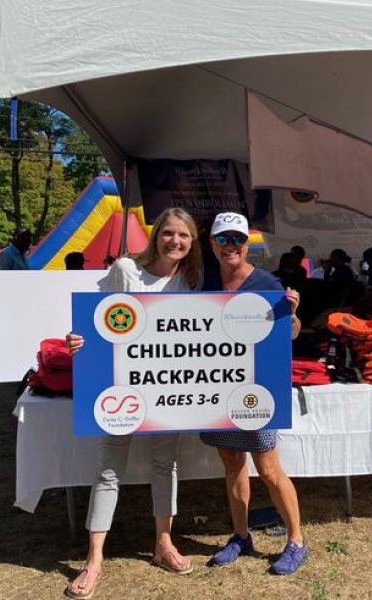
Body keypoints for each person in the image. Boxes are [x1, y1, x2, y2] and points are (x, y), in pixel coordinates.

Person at [64, 208, 203, 600]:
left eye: (184, 236)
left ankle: (164, 544)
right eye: (169, 233)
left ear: (191, 244)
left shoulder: (190, 282)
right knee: (109, 469)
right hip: (119, 386)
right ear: (156, 235)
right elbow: (95, 318)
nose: (175, 241)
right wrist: (79, 340)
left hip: (166, 389)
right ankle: (94, 560)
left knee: (165, 465)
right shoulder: (126, 270)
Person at [201, 212, 308, 576]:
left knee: (268, 467)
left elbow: (291, 334)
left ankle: (296, 540)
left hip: (256, 390)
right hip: (218, 387)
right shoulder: (204, 282)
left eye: (238, 240)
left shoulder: (266, 282)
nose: (231, 246)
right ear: (212, 244)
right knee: (231, 462)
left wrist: (292, 315)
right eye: (223, 239)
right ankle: (241, 535)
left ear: (246, 245)